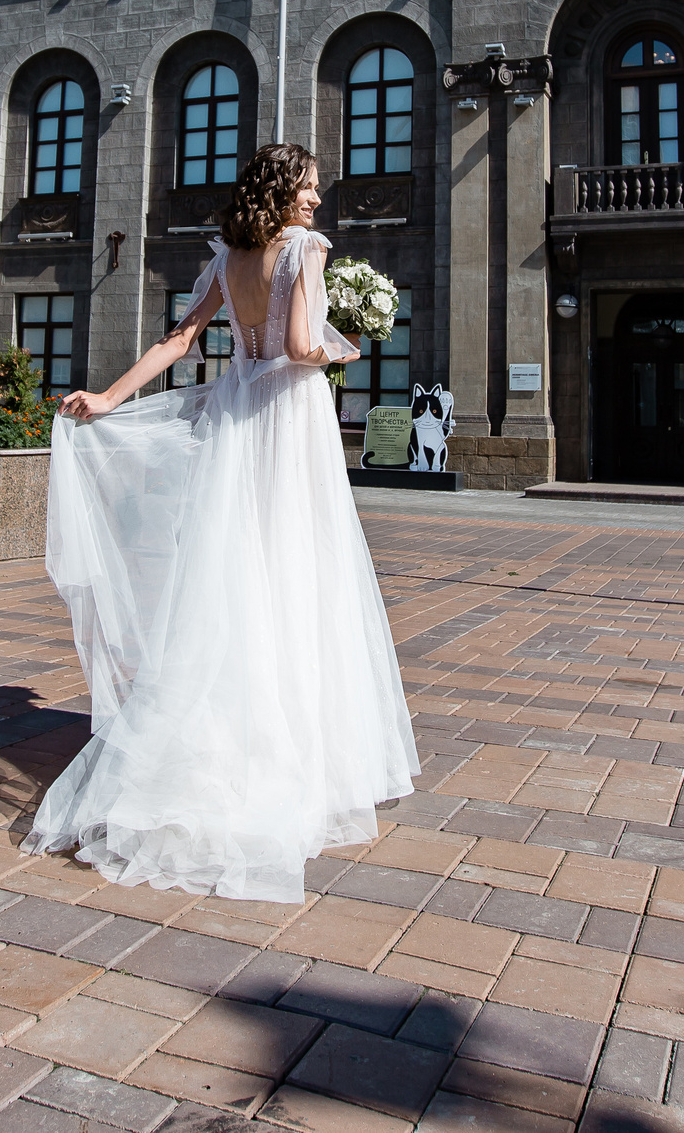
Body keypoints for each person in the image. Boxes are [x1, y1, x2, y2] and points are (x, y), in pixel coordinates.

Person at [24, 143, 421, 901]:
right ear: (281, 193)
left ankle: (227, 737)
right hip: (289, 422)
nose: (316, 201)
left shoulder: (225, 261)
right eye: (307, 189)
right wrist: (352, 340)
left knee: (237, 579)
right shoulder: (306, 250)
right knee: (298, 573)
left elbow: (178, 342)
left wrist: (107, 397)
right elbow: (303, 346)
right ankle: (298, 755)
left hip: (239, 426)